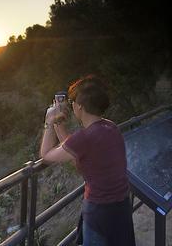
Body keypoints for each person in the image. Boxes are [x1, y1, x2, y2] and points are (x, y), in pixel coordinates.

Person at [39, 75, 135, 245]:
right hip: (121, 208)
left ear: (80, 106)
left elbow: (46, 155)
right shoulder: (110, 126)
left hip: (99, 213)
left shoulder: (84, 138)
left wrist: (48, 121)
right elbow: (74, 150)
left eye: (72, 102)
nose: (72, 105)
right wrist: (58, 123)